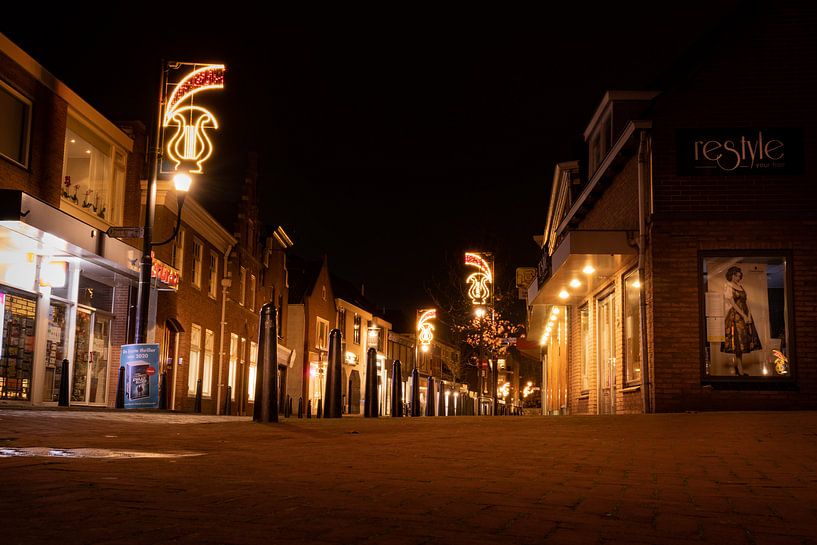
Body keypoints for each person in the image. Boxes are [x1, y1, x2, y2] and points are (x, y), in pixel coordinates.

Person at [721, 266, 762, 375]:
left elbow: (746, 302)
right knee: (738, 343)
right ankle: (739, 369)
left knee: (743, 341)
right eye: (736, 275)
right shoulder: (728, 285)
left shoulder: (740, 286)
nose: (738, 278)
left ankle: (739, 369)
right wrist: (743, 315)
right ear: (731, 275)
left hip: (744, 314)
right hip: (736, 316)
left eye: (739, 276)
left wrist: (749, 314)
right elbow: (733, 304)